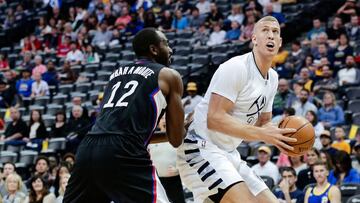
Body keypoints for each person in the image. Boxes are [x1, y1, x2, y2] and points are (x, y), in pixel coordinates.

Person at [177, 16, 297, 203]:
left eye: (275, 32)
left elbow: (263, 124)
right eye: (265, 30)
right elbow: (214, 119)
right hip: (200, 146)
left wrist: (282, 136)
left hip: (229, 153)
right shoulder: (236, 67)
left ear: (280, 42)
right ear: (254, 38)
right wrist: (263, 134)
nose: (271, 35)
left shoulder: (272, 78)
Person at [64, 28, 187, 202]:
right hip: (125, 152)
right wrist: (186, 126)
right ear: (154, 49)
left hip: (89, 147)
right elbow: (176, 139)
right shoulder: (169, 75)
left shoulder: (115, 75)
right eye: (166, 44)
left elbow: (126, 130)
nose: (170, 49)